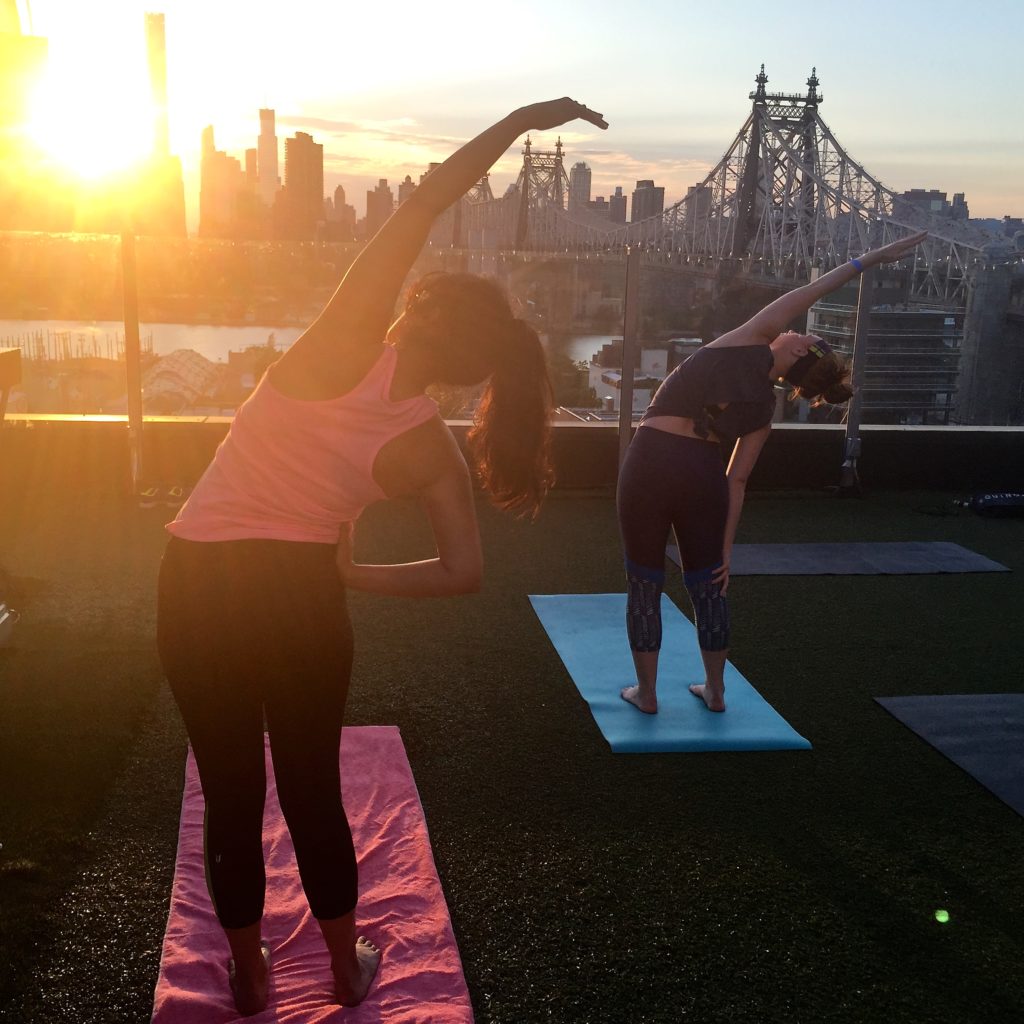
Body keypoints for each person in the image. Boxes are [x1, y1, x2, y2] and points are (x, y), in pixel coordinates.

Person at [157, 97, 608, 1015]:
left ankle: (248, 975)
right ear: (474, 368)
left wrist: (522, 120)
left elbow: (430, 197)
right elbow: (463, 572)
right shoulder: (430, 446)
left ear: (412, 311)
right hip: (303, 601)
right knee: (313, 792)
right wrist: (356, 573)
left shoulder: (340, 340)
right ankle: (340, 963)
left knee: (232, 790)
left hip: (198, 582)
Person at [616, 230, 927, 715]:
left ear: (800, 353)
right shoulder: (765, 406)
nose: (794, 330)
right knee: (708, 585)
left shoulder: (749, 340)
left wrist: (872, 258)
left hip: (652, 460)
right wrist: (724, 551)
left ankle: (647, 694)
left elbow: (812, 290)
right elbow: (735, 481)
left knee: (644, 582)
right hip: (702, 477)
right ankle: (715, 691)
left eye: (803, 335)